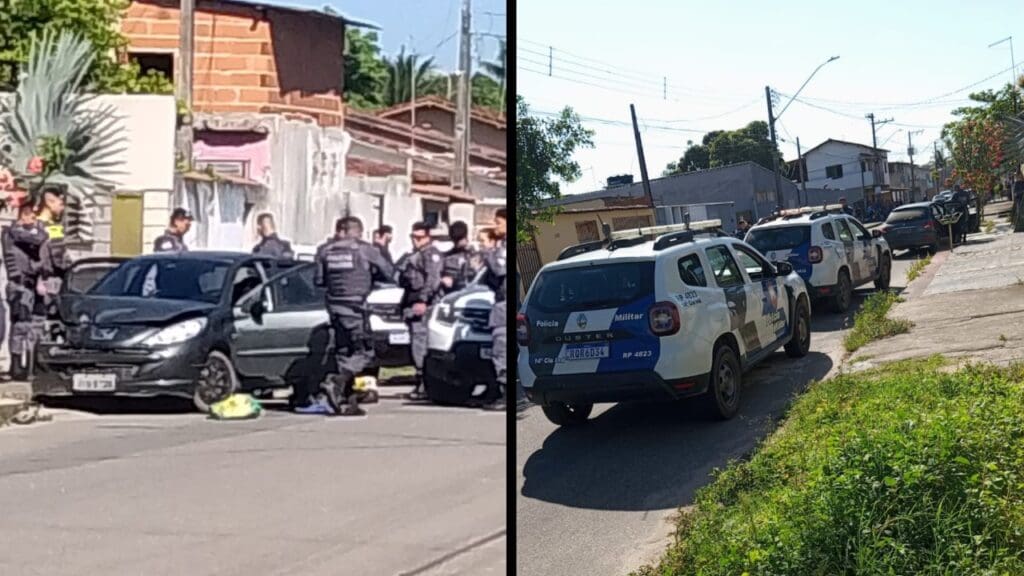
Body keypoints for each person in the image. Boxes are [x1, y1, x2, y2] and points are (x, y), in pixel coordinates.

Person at [304, 216, 394, 416]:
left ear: (340, 231)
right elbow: (389, 272)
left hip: (334, 308)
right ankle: (337, 380)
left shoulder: (324, 251)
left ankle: (344, 400)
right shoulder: (365, 250)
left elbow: (319, 281)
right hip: (356, 308)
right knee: (365, 352)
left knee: (344, 352)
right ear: (358, 232)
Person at [2, 204, 50, 380]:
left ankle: (30, 367)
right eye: (30, 216)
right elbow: (33, 244)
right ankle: (16, 367)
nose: (34, 220)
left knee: (34, 327)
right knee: (20, 326)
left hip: (33, 287)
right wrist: (42, 234)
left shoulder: (37, 235)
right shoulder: (12, 234)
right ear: (23, 216)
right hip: (19, 287)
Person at [400, 221, 444, 401]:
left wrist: (422, 300)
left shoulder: (431, 254)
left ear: (428, 237)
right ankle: (421, 382)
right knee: (416, 345)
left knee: (421, 346)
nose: (415, 240)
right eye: (413, 237)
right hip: (412, 305)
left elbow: (432, 280)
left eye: (419, 237)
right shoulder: (415, 255)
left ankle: (425, 384)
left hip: (424, 306)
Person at [481, 208, 507, 411]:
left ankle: (505, 395)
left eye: (498, 222)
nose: (495, 226)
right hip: (501, 305)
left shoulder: (503, 246)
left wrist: (488, 250)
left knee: (501, 349)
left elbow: (499, 268)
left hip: (504, 307)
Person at [441, 220, 475, 294]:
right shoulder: (446, 257)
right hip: (449, 293)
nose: (456, 243)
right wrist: (442, 279)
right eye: (454, 239)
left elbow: (473, 277)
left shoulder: (474, 255)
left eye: (459, 239)